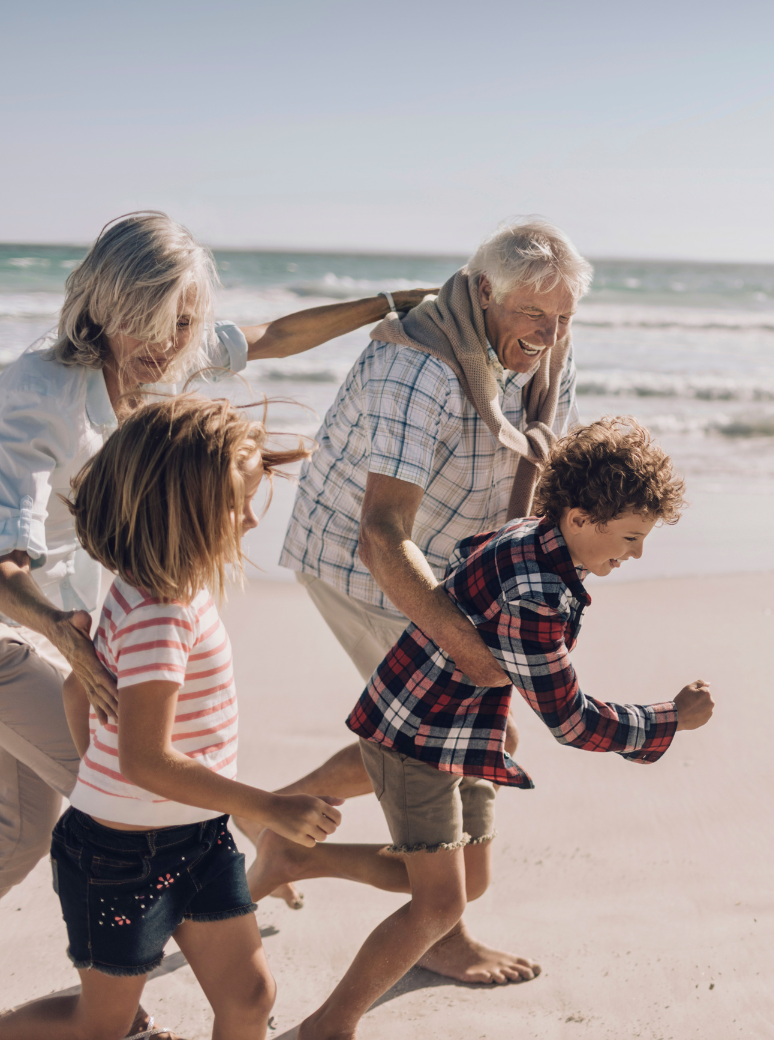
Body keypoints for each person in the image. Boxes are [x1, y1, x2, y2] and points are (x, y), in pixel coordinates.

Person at [0, 211, 430, 1039]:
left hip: (94, 626)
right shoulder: (35, 394)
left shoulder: (170, 353)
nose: (167, 347)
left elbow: (268, 335)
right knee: (123, 797)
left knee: (19, 835)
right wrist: (64, 635)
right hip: (26, 629)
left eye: (183, 324)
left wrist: (384, 303)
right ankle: (124, 1004)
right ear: (101, 304)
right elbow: (4, 562)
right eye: (149, 323)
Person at [292, 416, 715, 1040]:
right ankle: (328, 1026)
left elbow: (469, 558)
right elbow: (571, 722)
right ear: (577, 519)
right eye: (629, 537)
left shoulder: (531, 535)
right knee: (439, 905)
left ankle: (294, 857)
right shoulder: (538, 597)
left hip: (457, 725)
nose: (636, 554)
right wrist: (669, 719)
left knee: (468, 881)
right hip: (420, 734)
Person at [245, 219, 591, 982]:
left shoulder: (551, 345)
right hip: (365, 563)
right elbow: (381, 533)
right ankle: (442, 928)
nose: (549, 331)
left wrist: (517, 594)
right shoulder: (420, 366)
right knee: (455, 740)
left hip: (454, 559)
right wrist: (466, 647)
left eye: (563, 315)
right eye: (533, 312)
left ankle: (282, 821)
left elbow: (536, 463)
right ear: (481, 292)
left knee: (455, 742)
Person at [0, 395, 343, 1040]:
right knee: (101, 1023)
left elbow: (81, 692)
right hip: (120, 858)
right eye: (235, 504)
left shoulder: (158, 587)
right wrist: (268, 807)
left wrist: (100, 780)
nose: (248, 520)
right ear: (178, 509)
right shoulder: (160, 613)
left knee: (250, 996)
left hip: (196, 837)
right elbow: (145, 760)